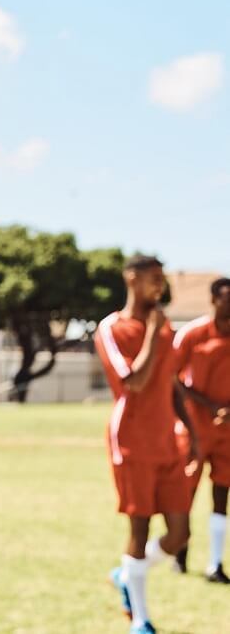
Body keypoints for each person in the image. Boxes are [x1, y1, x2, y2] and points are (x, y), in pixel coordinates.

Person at [94, 254, 198, 634]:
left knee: (180, 534)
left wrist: (193, 434)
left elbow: (170, 384)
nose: (160, 285)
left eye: (162, 279)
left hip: (166, 440)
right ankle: (141, 619)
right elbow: (133, 383)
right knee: (139, 530)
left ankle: (126, 574)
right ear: (132, 279)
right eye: (154, 278)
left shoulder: (164, 325)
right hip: (132, 440)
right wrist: (153, 332)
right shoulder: (111, 327)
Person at [171, 277, 230, 582]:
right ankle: (180, 551)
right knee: (186, 492)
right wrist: (207, 405)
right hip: (193, 425)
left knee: (222, 494)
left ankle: (215, 563)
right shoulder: (193, 333)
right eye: (226, 298)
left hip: (227, 429)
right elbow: (172, 377)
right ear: (214, 300)